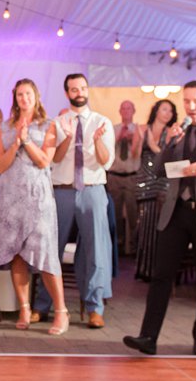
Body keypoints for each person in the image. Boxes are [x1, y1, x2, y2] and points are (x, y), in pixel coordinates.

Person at [123, 80, 196, 356]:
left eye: (195, 101)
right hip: (176, 212)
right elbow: (164, 171)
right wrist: (169, 144)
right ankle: (148, 337)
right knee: (161, 275)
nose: (190, 106)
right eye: (186, 101)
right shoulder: (178, 132)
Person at [0, 79, 68, 335]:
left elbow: (45, 161)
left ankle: (61, 312)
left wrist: (27, 141)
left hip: (38, 198)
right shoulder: (5, 126)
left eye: (28, 93)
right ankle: (24, 307)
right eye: (20, 94)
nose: (24, 98)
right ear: (15, 98)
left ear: (36, 96)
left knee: (44, 255)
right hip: (10, 198)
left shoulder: (49, 125)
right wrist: (16, 143)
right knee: (16, 254)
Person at [31, 74, 114, 328]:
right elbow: (54, 159)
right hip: (62, 190)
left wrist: (97, 139)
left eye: (83, 87)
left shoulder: (103, 122)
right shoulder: (57, 122)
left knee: (96, 250)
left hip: (93, 190)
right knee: (51, 248)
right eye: (74, 89)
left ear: (87, 90)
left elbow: (105, 161)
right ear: (67, 93)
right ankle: (43, 305)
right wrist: (66, 137)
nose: (79, 92)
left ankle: (94, 307)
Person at [132, 99, 177, 282]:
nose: (167, 113)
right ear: (156, 110)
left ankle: (158, 270)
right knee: (144, 225)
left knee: (160, 225)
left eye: (171, 111)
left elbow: (168, 157)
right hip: (144, 179)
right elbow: (134, 155)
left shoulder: (171, 132)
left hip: (163, 179)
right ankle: (144, 268)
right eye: (164, 109)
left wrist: (152, 145)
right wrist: (141, 139)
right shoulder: (142, 128)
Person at [108, 100, 142, 254]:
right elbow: (106, 149)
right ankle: (118, 244)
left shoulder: (139, 130)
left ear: (134, 110)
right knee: (114, 212)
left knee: (132, 212)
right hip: (114, 176)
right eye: (124, 108)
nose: (126, 111)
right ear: (119, 111)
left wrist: (133, 139)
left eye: (129, 108)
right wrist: (119, 136)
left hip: (131, 176)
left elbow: (138, 152)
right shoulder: (112, 129)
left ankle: (133, 246)